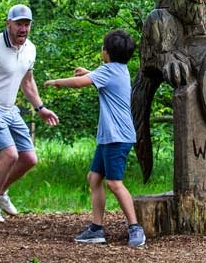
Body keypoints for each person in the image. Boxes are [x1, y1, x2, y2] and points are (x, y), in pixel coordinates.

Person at [44, 29, 146, 247]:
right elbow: (99, 78)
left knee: (114, 183)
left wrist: (57, 82)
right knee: (94, 178)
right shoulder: (120, 69)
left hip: (117, 137)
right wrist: (88, 72)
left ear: (106, 52)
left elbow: (81, 83)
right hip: (110, 137)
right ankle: (96, 229)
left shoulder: (108, 71)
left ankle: (135, 228)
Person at [0, 4, 60, 222]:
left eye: (27, 24)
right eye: (19, 24)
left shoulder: (30, 49)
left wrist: (41, 108)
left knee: (29, 158)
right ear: (9, 23)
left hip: (10, 109)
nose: (23, 29)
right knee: (9, 155)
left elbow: (27, 81)